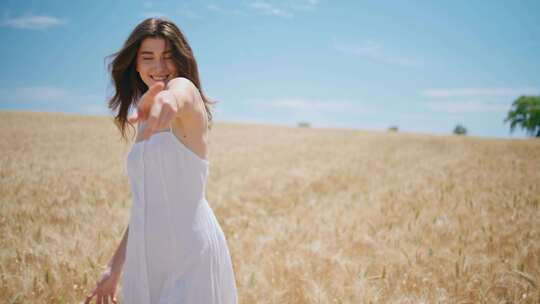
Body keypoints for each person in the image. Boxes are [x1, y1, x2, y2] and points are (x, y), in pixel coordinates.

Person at [84, 17, 238, 304]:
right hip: (147, 259)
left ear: (181, 61)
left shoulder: (182, 93)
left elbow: (181, 94)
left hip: (191, 254)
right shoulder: (145, 122)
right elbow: (147, 206)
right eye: (148, 57)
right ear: (136, 65)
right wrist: (113, 268)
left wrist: (169, 100)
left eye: (168, 57)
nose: (159, 67)